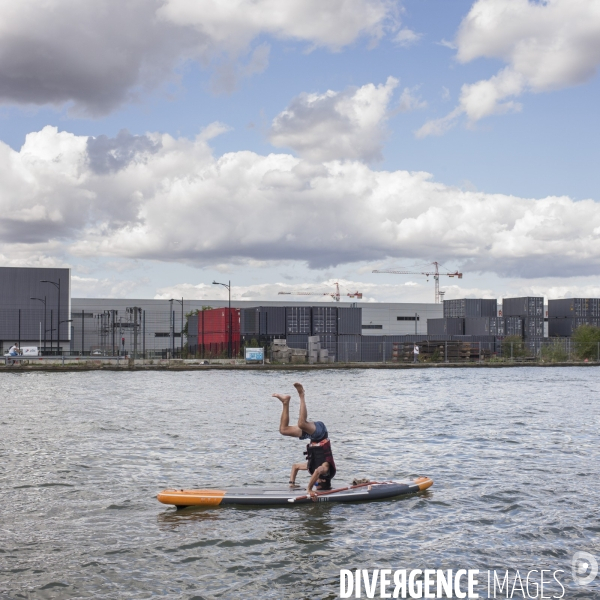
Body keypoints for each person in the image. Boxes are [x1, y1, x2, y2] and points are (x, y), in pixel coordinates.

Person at [272, 382, 336, 498]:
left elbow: (295, 466)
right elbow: (317, 472)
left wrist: (292, 483)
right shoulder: (326, 470)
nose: (315, 482)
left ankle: (285, 402)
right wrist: (309, 489)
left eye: (315, 483)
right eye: (317, 483)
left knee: (284, 430)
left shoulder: (311, 465)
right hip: (320, 433)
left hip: (312, 437)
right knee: (301, 423)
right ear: (323, 480)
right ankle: (301, 394)